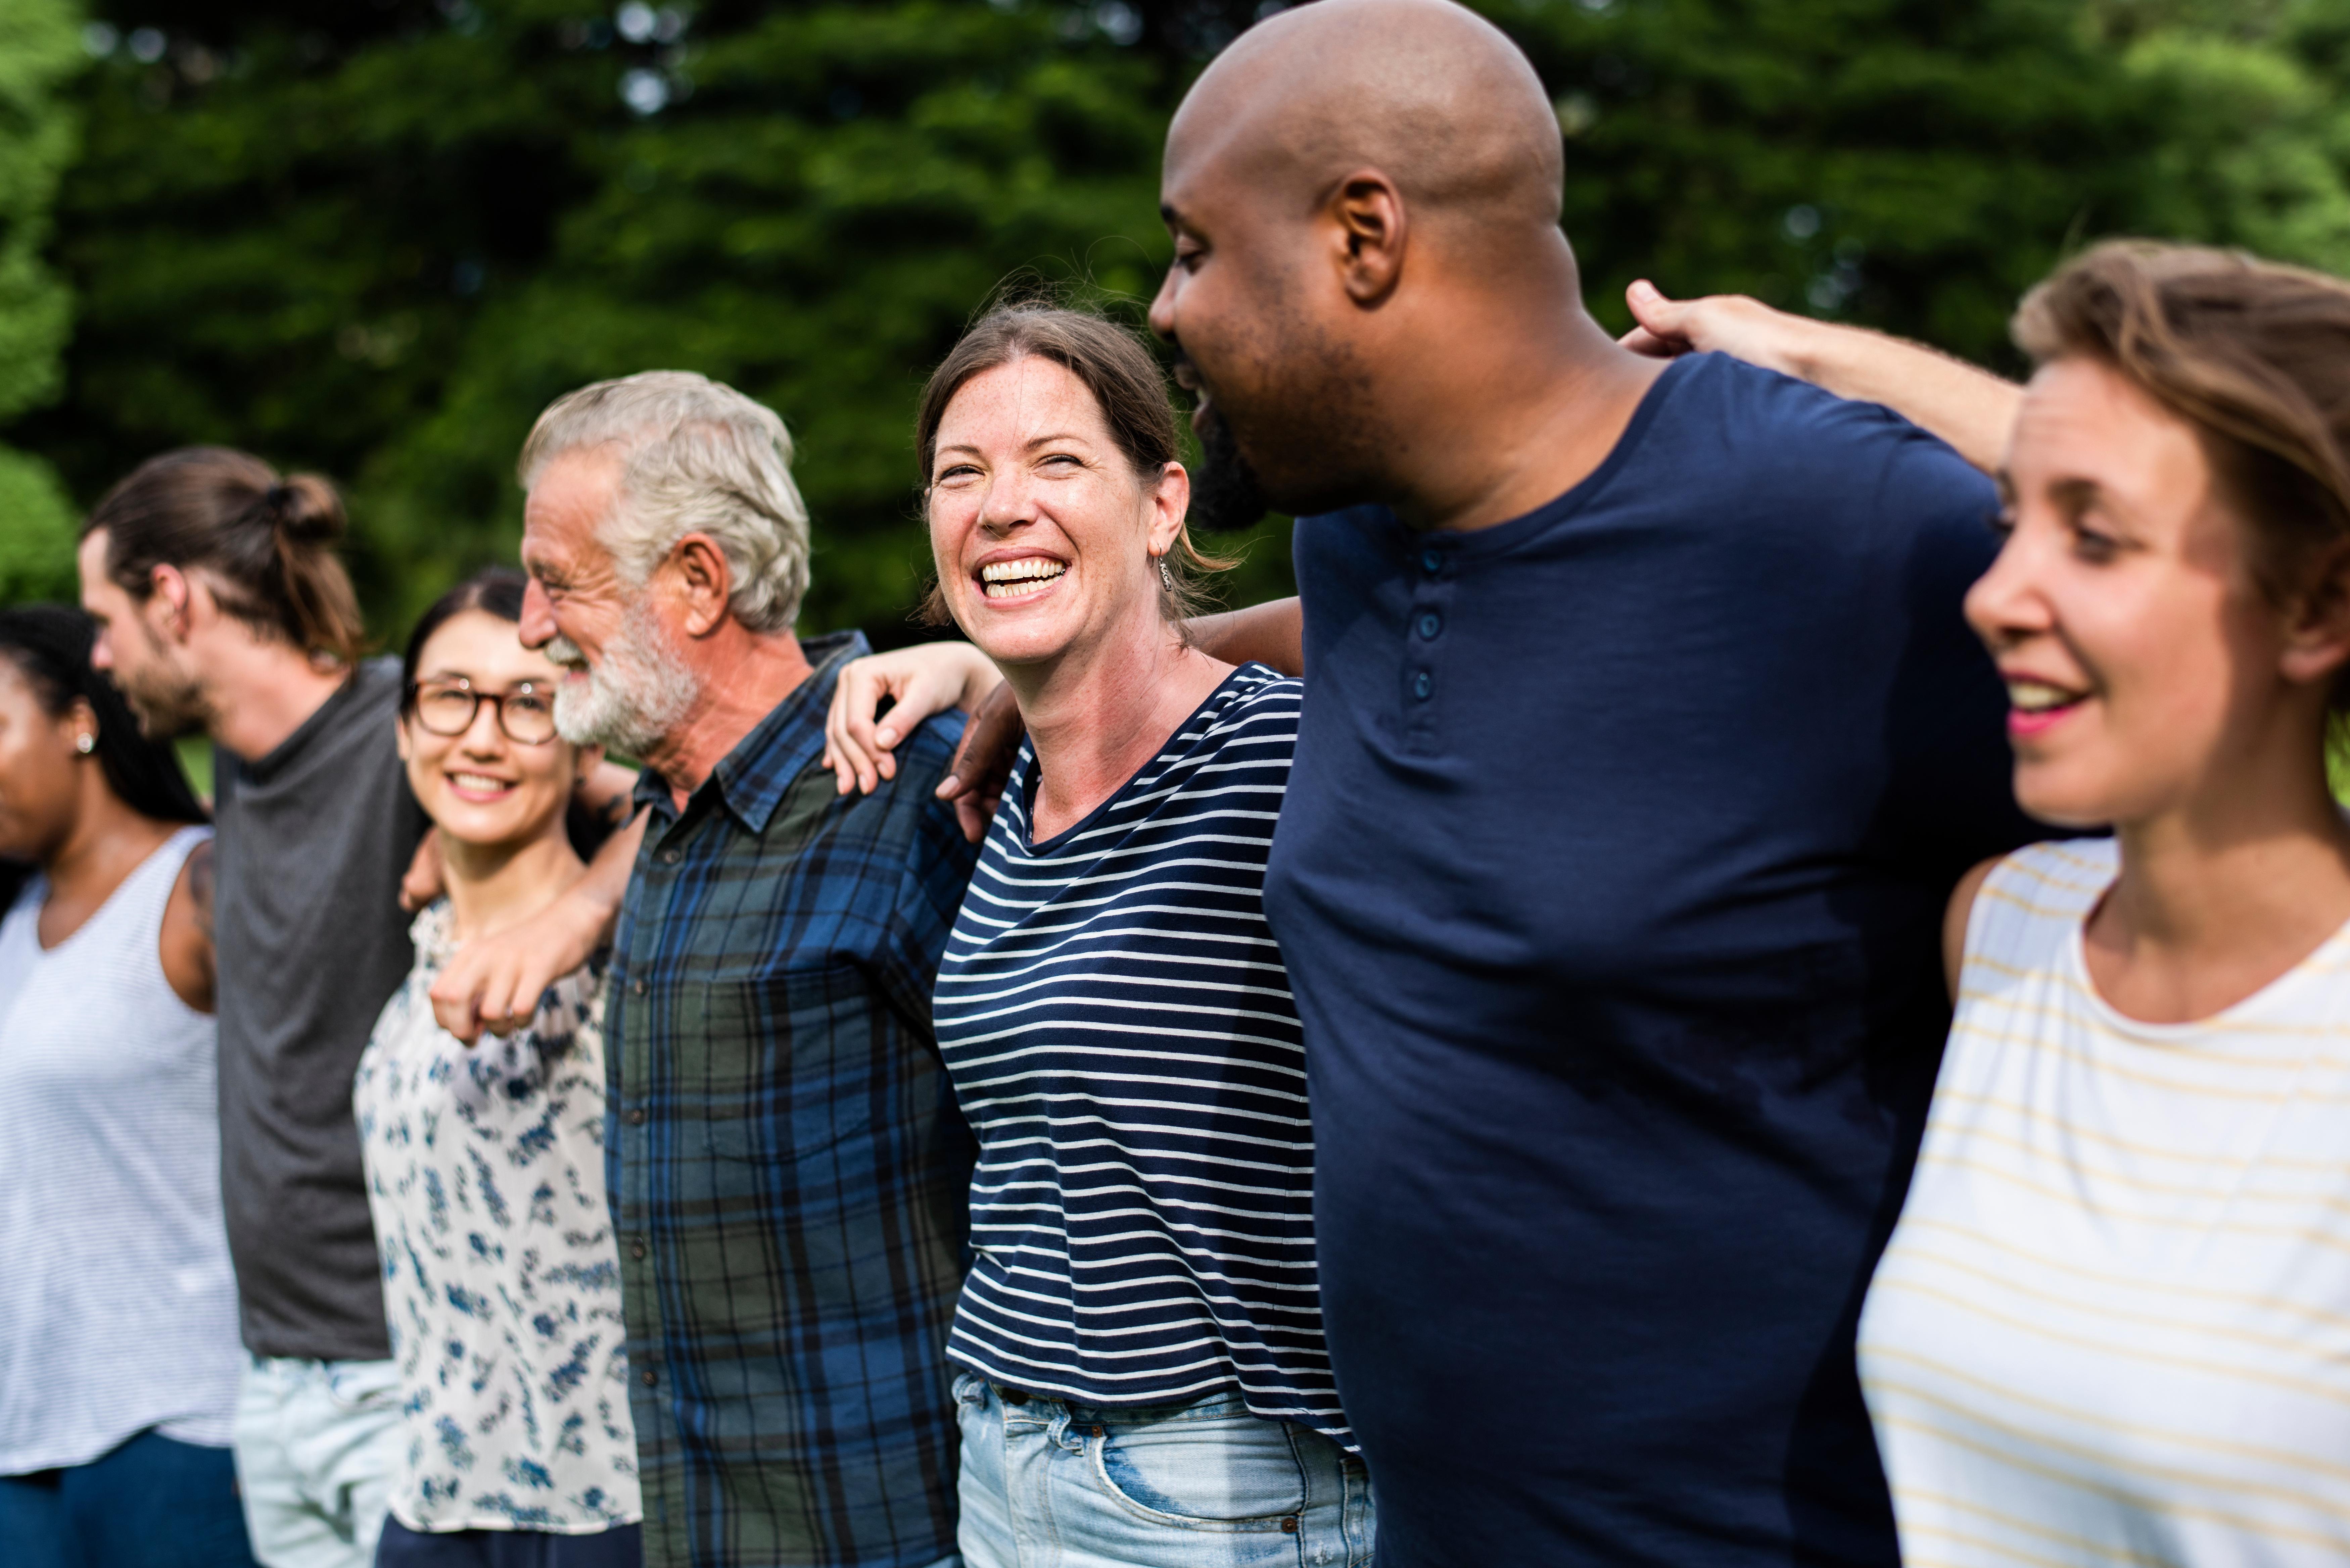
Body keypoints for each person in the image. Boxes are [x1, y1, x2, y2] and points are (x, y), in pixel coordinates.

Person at [862, 1, 2047, 1560]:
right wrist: (1045, 667)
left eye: (1195, 251)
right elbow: (1438, 633)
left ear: (1364, 234)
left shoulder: (1825, 521)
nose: (1164, 308)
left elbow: (2247, 605)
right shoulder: (1365, 533)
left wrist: (1831, 352)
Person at [828, 304, 1371, 1565]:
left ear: (1164, 504)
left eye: (1056, 462)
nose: (1001, 506)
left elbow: (1449, 628)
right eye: (961, 475)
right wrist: (987, 682)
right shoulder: (1007, 785)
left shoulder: (1279, 757)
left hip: (1215, 1486)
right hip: (999, 1458)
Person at [1840, 246, 2350, 1561]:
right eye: (2012, 519)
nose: (1995, 592)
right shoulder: (2001, 931)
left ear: (2318, 603)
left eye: (2097, 537)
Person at [75, 449, 642, 1568]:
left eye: (105, 618)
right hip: (272, 1382)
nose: (96, 656)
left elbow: (676, 799)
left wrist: (571, 916)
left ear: (172, 599)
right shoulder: (241, 770)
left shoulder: (430, 723)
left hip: (414, 1381)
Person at [463, 370, 980, 1568]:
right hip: (699, 1525)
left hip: (893, 1529)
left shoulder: (914, 790)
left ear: (698, 582)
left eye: (559, 582)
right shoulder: (670, 824)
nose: (532, 626)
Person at [353, 569, 643, 1567]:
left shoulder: (633, 954)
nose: (481, 737)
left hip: (600, 1517)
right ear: (403, 726)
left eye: (529, 704)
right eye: (450, 698)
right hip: (432, 1506)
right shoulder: (418, 961)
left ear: (586, 737)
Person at [0, 605, 258, 1568]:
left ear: (77, 719)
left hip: (179, 1428)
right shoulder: (14, 919)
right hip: (25, 1439)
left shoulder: (199, 888)